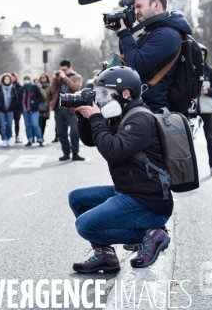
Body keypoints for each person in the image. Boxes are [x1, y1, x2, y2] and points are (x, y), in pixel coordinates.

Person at [69, 66, 172, 273]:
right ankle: (105, 256)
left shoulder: (140, 119)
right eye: (99, 93)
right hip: (128, 191)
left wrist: (96, 118)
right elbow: (91, 140)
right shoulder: (120, 114)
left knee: (86, 226)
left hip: (149, 202)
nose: (101, 98)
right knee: (77, 198)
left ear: (126, 93)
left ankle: (150, 235)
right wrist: (84, 117)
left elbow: (113, 151)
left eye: (105, 93)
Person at [115, 0, 193, 114]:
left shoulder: (167, 34)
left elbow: (138, 64)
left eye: (139, 6)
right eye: (134, 8)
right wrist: (125, 31)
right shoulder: (152, 32)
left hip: (154, 110)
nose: (135, 12)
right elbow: (127, 58)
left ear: (156, 5)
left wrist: (124, 34)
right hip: (142, 106)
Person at [50, 59, 84, 161]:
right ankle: (66, 152)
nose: (63, 72)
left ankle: (75, 152)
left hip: (71, 108)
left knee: (74, 130)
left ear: (70, 68)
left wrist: (65, 78)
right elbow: (52, 90)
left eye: (65, 69)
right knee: (61, 131)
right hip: (58, 106)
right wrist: (55, 79)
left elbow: (76, 88)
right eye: (61, 70)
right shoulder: (59, 78)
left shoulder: (77, 77)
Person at [197, 44, 212, 176]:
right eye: (199, 54)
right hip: (191, 111)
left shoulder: (210, 71)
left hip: (206, 110)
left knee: (209, 139)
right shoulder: (188, 69)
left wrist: (207, 91)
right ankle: (188, 170)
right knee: (187, 141)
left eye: (203, 54)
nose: (201, 56)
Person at [0, 73, 19, 147]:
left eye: (8, 79)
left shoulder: (13, 88)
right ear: (3, 80)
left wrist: (13, 106)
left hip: (10, 110)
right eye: (5, 79)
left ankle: (8, 139)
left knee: (9, 125)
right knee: (2, 125)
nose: (7, 80)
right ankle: (3, 139)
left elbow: (16, 99)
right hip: (1, 110)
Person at [21, 75, 44, 146]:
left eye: (27, 80)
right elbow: (20, 98)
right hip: (25, 109)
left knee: (35, 124)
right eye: (25, 80)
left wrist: (35, 103)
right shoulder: (22, 89)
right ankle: (29, 139)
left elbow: (40, 97)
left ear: (29, 80)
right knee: (27, 125)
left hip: (34, 109)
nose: (26, 81)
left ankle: (39, 139)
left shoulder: (34, 88)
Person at [38, 73, 52, 141]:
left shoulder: (49, 87)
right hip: (38, 106)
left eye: (44, 77)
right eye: (42, 77)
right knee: (38, 122)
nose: (43, 79)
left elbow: (51, 96)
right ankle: (39, 136)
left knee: (43, 122)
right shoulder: (38, 86)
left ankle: (41, 136)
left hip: (46, 107)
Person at [11, 73, 23, 144]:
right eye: (12, 77)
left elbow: (20, 97)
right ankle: (9, 135)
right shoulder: (8, 86)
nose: (13, 78)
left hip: (17, 107)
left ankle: (17, 135)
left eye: (14, 77)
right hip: (9, 107)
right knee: (8, 123)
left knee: (16, 122)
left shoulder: (20, 87)